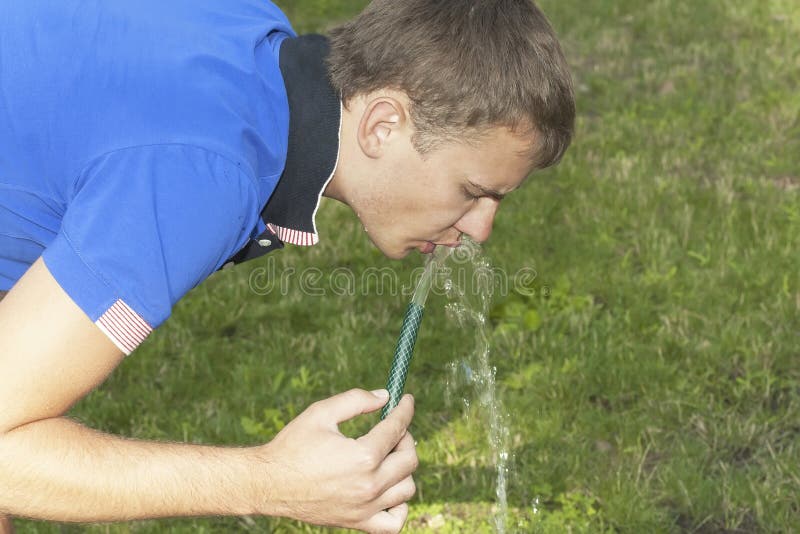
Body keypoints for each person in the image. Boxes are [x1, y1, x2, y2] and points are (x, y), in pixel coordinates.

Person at [0, 0, 574, 532]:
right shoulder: (200, 174)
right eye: (472, 191)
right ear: (382, 125)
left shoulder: (250, 31)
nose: (481, 228)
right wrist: (271, 480)